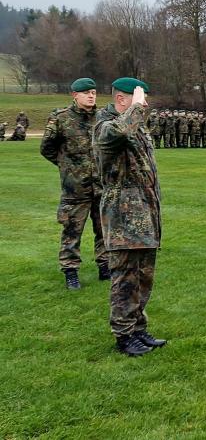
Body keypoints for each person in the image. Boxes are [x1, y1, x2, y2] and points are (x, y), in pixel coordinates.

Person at [93, 77, 166, 357]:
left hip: (145, 214)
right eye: (139, 99)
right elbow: (117, 134)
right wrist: (134, 109)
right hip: (123, 217)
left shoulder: (135, 125)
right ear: (122, 99)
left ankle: (138, 329)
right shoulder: (106, 126)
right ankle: (123, 336)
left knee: (143, 276)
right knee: (125, 277)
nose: (144, 105)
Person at [40, 78, 111, 289]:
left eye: (94, 92)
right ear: (75, 95)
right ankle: (71, 271)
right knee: (72, 231)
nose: (91, 96)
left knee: (104, 229)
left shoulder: (102, 118)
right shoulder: (61, 118)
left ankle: (105, 266)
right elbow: (47, 148)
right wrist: (66, 167)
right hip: (75, 189)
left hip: (101, 186)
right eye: (86, 93)